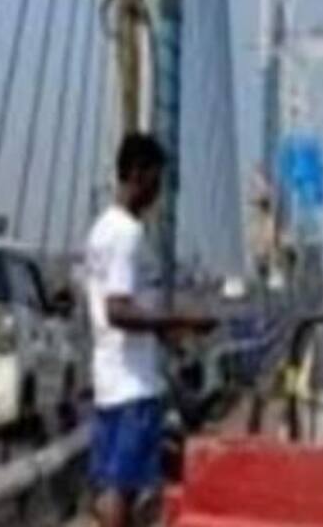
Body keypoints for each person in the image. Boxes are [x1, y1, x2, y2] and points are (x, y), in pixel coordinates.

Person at [85, 132, 216, 527]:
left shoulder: (100, 229)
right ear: (138, 174)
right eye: (157, 180)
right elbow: (119, 310)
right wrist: (184, 321)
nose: (159, 192)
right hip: (134, 385)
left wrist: (167, 335)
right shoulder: (128, 233)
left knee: (112, 487)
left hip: (110, 379)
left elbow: (115, 303)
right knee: (125, 490)